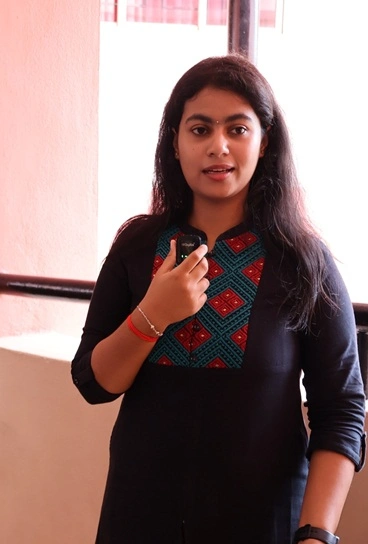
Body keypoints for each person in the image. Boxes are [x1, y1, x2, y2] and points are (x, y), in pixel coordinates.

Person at [71, 55, 365, 544]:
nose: (218, 146)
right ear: (175, 142)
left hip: (263, 525)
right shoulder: (137, 247)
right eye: (200, 129)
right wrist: (154, 313)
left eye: (238, 129)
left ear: (264, 142)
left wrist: (316, 535)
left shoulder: (303, 261)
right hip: (138, 519)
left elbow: (341, 409)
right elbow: (94, 382)